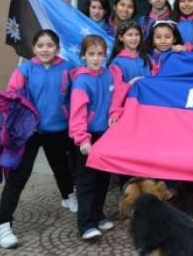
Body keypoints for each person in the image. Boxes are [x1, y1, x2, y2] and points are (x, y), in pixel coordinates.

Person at [0, 30, 76, 249]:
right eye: (41, 45)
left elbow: (76, 94)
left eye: (50, 45)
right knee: (18, 177)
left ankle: (68, 196)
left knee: (61, 167)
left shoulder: (68, 68)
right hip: (29, 133)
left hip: (58, 129)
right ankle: (3, 225)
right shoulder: (25, 69)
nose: (45, 49)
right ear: (34, 48)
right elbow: (11, 96)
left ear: (57, 48)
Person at [69, 35, 115, 241]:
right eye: (91, 54)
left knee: (103, 179)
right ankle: (86, 224)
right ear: (83, 56)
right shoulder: (81, 81)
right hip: (88, 137)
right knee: (86, 181)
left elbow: (119, 95)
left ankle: (98, 214)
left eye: (100, 54)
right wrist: (83, 139)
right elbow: (77, 113)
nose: (96, 59)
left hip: (106, 134)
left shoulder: (108, 75)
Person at [107, 20, 151, 125]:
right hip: (128, 109)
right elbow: (116, 90)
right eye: (130, 35)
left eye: (137, 35)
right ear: (121, 38)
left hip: (147, 107)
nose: (134, 38)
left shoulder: (147, 58)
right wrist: (115, 112)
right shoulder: (117, 63)